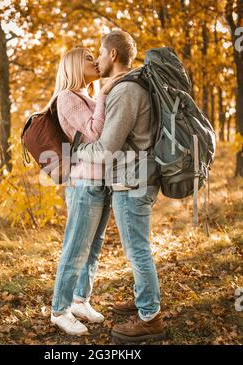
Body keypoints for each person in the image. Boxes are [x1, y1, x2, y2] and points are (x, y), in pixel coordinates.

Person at [77, 30, 166, 342]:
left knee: (137, 250)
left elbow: (106, 148)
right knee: (137, 248)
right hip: (136, 177)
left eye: (100, 53)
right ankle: (144, 302)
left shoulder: (126, 91)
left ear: (112, 55)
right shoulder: (128, 86)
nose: (98, 60)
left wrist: (76, 153)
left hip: (132, 181)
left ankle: (150, 317)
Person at [46, 47, 122, 336]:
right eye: (88, 58)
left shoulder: (85, 97)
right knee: (76, 246)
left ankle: (80, 300)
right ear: (75, 65)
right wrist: (104, 94)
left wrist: (99, 96)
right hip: (83, 183)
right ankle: (59, 310)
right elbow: (95, 134)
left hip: (100, 181)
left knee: (93, 246)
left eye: (95, 56)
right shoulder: (67, 98)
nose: (95, 61)